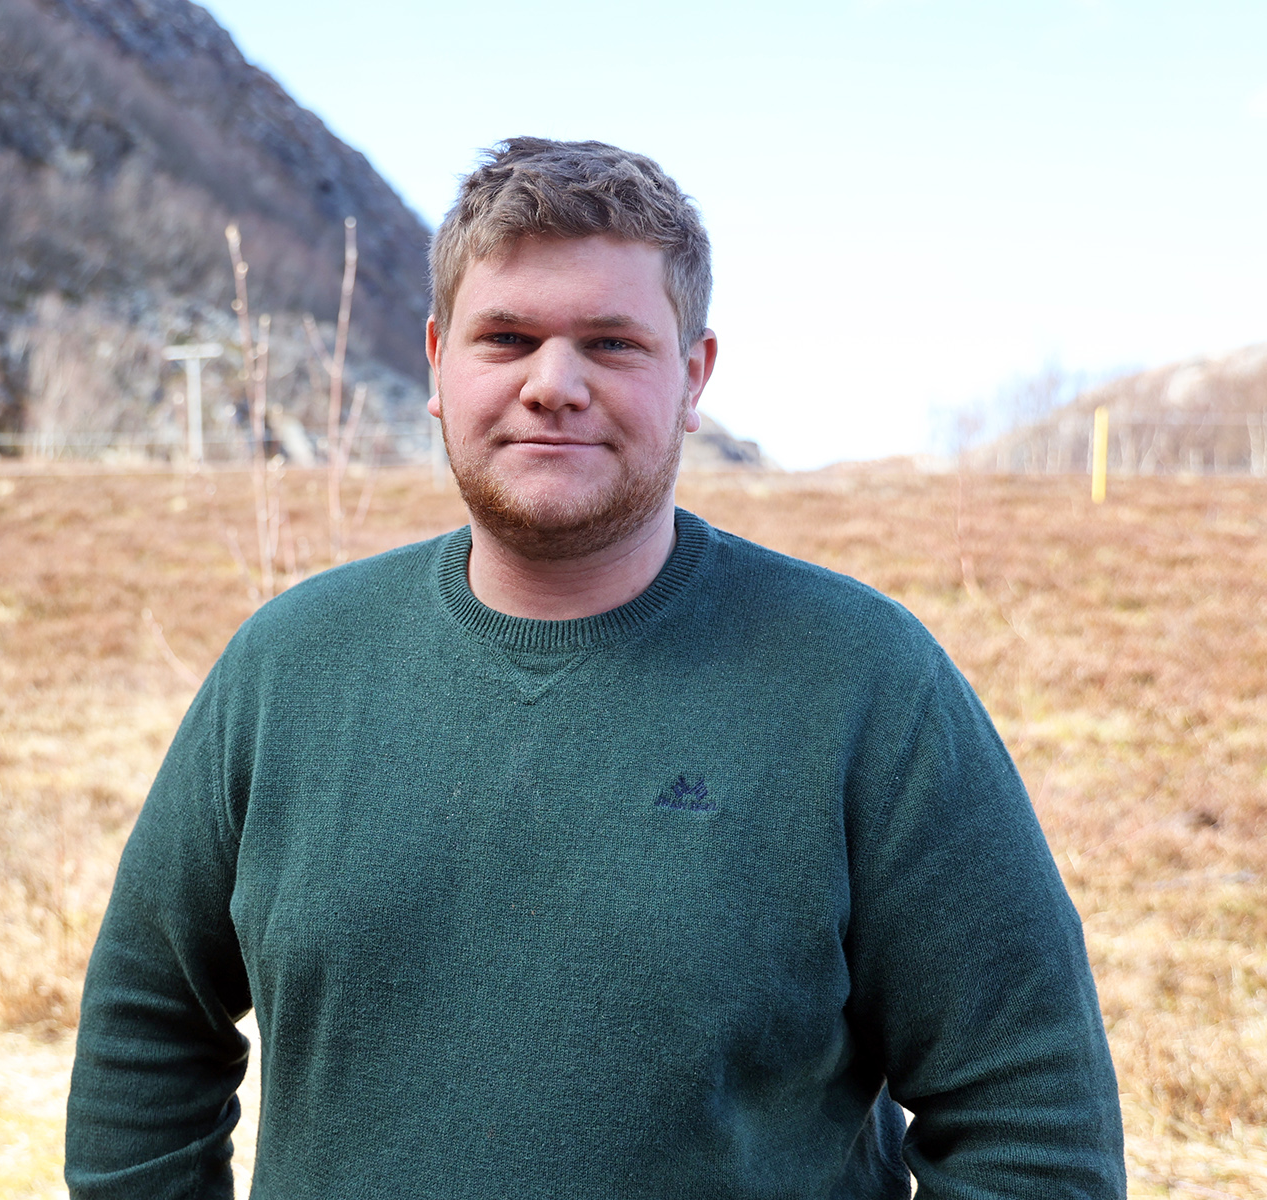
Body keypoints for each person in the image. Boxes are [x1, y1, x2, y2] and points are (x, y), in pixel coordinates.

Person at [64, 137, 1124, 1199]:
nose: (553, 385)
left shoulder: (865, 684)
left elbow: (1031, 1118)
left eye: (612, 343)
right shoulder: (289, 668)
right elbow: (149, 1022)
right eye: (508, 337)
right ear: (438, 363)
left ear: (694, 375)